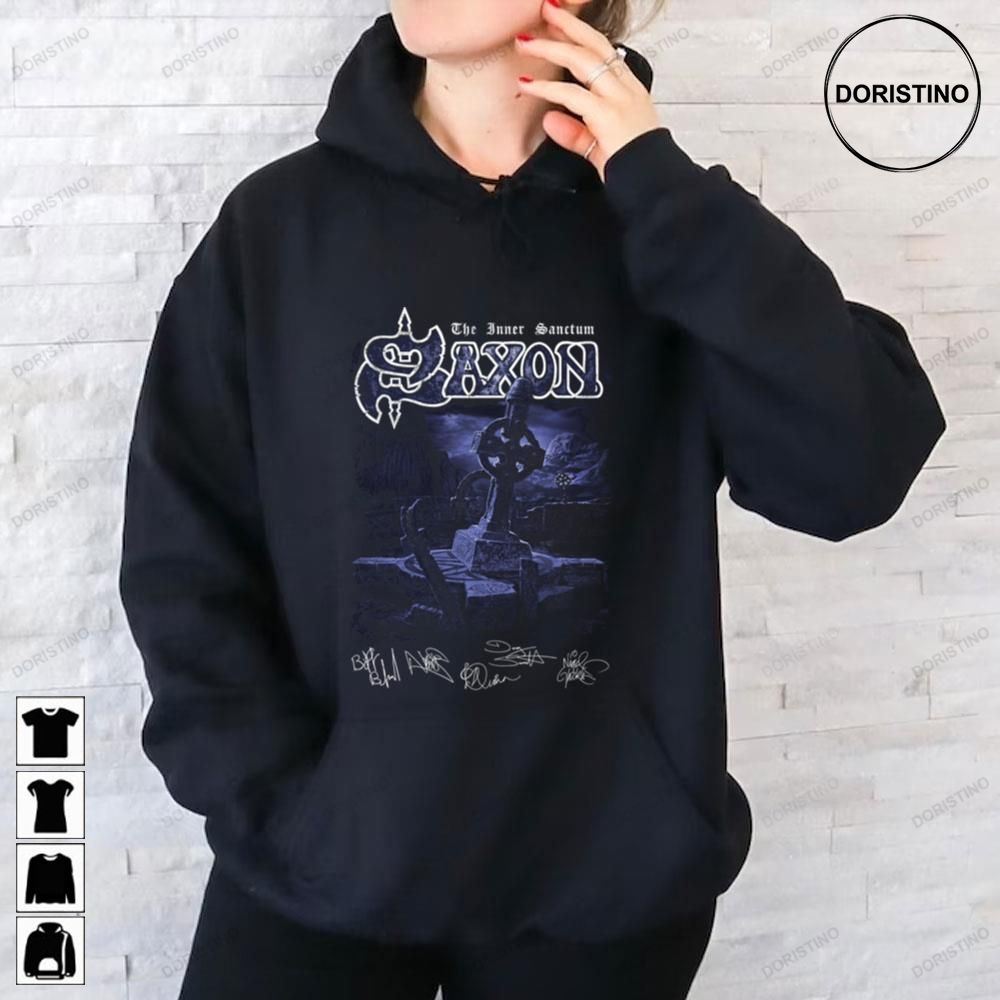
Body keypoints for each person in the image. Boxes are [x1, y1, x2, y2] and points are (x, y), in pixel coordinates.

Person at [118, 1, 945, 997]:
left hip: (600, 896)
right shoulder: (277, 229)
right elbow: (183, 546)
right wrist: (277, 805)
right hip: (320, 871)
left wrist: (664, 188)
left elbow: (853, 471)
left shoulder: (670, 233)